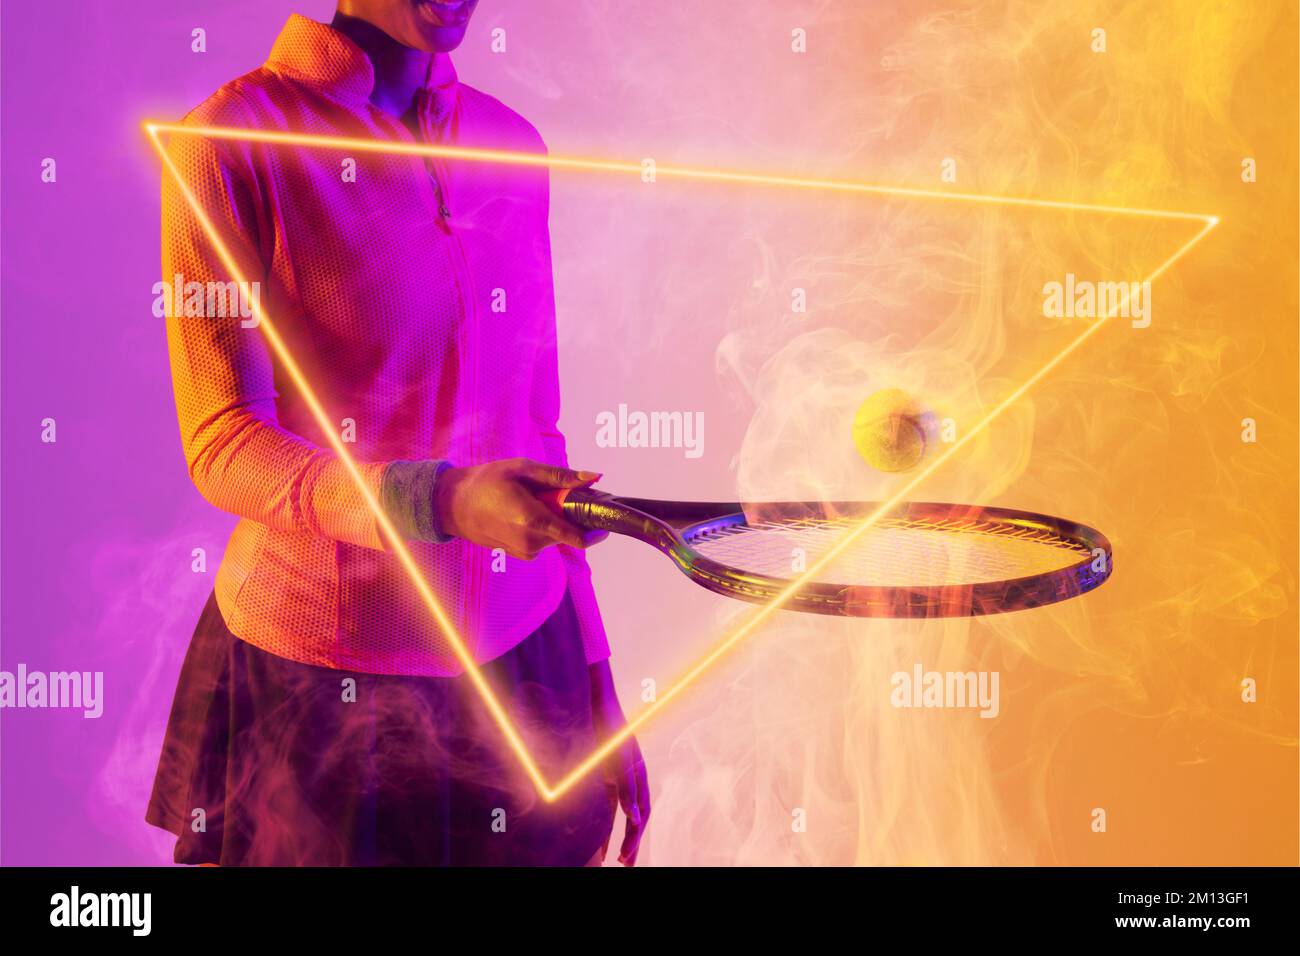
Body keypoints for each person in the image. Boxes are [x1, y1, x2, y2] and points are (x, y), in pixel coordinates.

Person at [145, 0, 649, 866]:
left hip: (532, 661)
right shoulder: (228, 143)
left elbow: (537, 421)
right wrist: (441, 500)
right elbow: (223, 441)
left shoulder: (510, 144)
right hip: (316, 687)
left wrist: (597, 676)